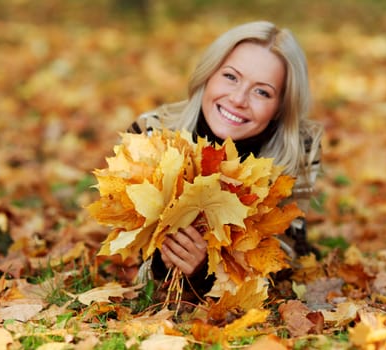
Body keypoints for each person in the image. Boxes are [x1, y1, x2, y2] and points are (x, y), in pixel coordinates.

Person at [127, 21, 323, 299]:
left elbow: (283, 251)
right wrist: (162, 260)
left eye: (262, 91)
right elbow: (128, 247)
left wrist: (209, 271)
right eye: (231, 77)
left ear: (281, 107)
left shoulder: (299, 149)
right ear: (209, 75)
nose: (238, 99)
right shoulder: (152, 133)